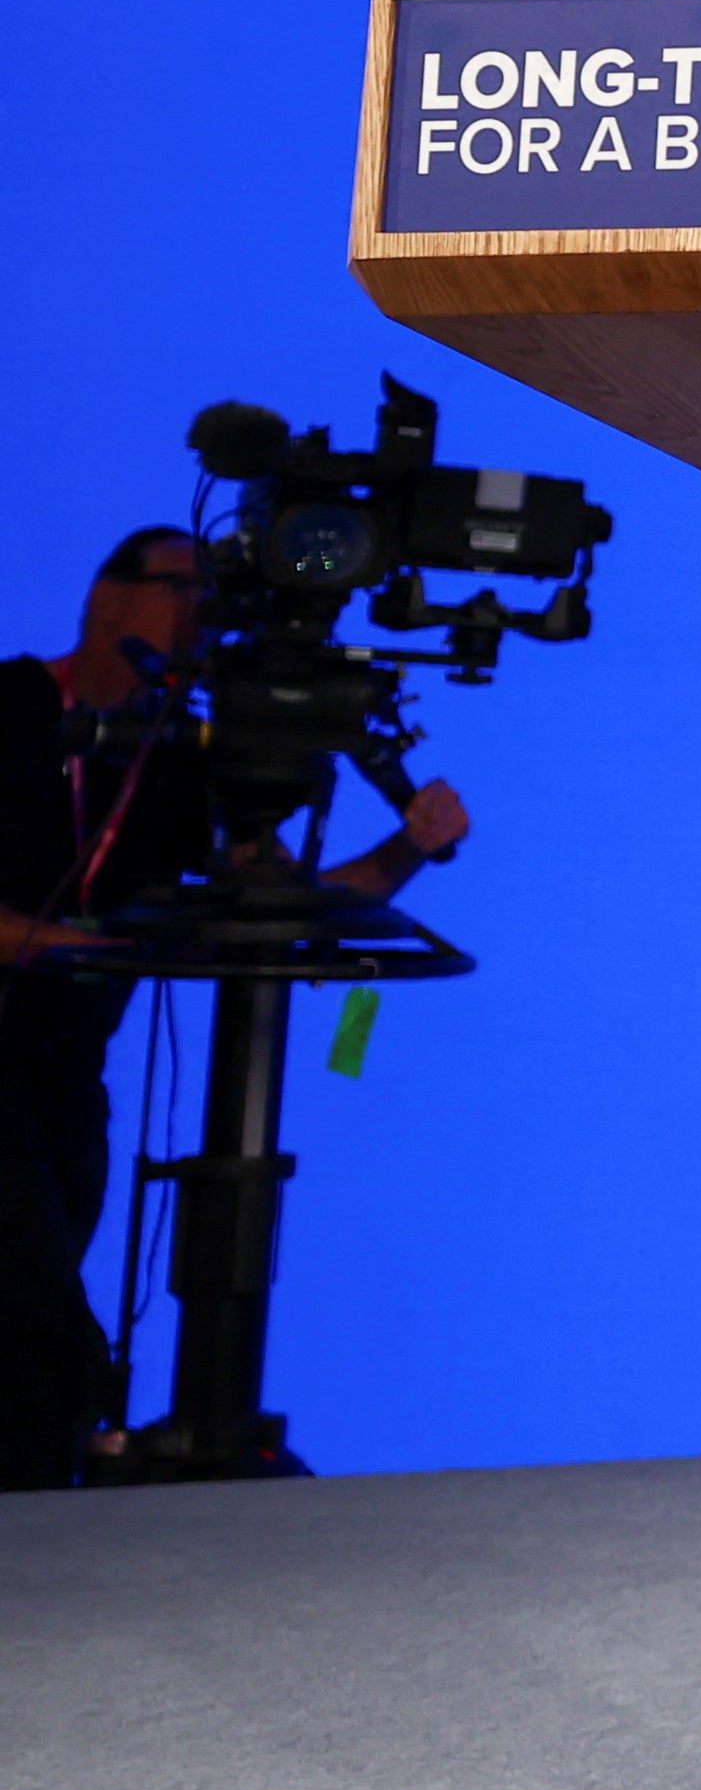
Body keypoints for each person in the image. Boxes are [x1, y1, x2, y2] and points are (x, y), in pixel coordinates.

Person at [4, 526, 469, 1489]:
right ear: (104, 595)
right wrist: (76, 945)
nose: (195, 615)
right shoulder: (9, 708)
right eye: (176, 588)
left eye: (208, 597)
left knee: (33, 1338)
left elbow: (285, 908)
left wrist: (410, 848)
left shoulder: (176, 760)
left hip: (60, 1085)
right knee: (39, 1340)